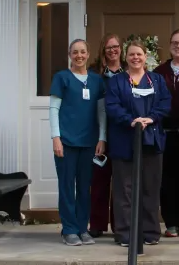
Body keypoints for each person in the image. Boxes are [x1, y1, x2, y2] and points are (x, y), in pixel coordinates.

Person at [105, 40, 171, 247]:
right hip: (124, 141)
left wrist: (150, 118)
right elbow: (112, 106)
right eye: (132, 54)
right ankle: (126, 234)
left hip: (152, 141)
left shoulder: (157, 80)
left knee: (150, 188)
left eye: (139, 54)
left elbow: (165, 103)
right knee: (124, 190)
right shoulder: (116, 82)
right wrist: (131, 121)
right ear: (126, 57)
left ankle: (150, 232)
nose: (135, 58)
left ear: (145, 57)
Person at [49, 39, 107, 246]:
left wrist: (102, 137)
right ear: (69, 54)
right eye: (75, 52)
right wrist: (55, 137)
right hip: (66, 142)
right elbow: (54, 109)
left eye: (83, 51)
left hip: (89, 142)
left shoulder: (96, 80)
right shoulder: (61, 78)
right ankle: (69, 229)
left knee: (85, 187)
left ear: (88, 54)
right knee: (67, 186)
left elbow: (101, 111)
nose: (79, 56)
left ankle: (83, 228)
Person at [154, 29, 179, 238]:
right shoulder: (159, 71)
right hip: (166, 133)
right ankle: (171, 224)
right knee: (167, 181)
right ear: (170, 46)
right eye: (175, 43)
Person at [88, 33, 124, 238]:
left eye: (116, 47)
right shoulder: (95, 74)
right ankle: (97, 224)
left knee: (120, 182)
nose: (113, 50)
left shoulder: (128, 72)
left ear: (121, 49)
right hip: (98, 134)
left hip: (121, 132)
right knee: (99, 180)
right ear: (103, 50)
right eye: (108, 47)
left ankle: (120, 224)